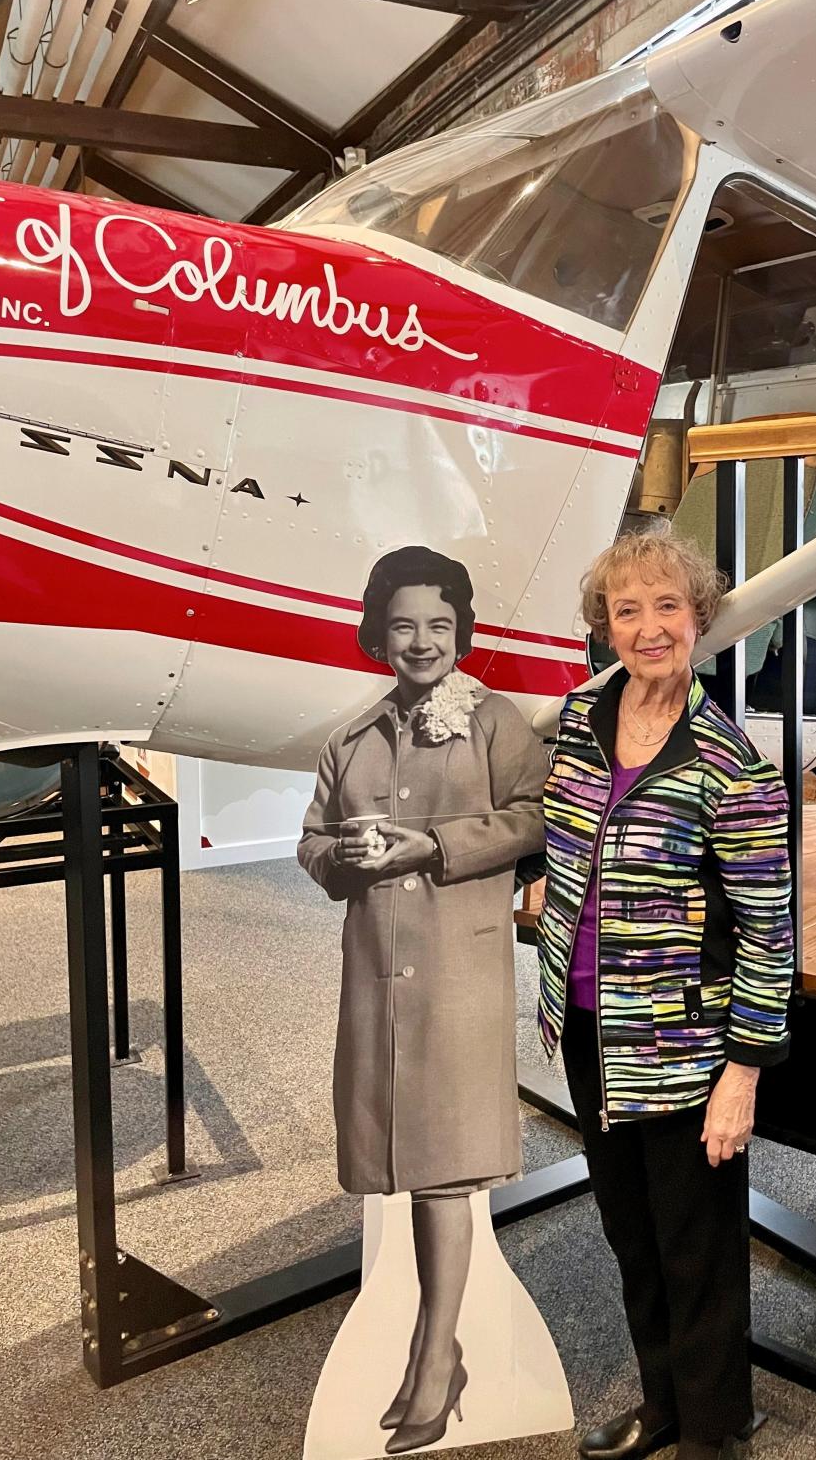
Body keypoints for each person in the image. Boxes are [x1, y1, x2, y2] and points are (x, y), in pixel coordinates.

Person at [538, 528, 794, 1460]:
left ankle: (716, 1435)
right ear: (605, 627)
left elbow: (770, 928)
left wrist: (744, 1073)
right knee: (631, 1237)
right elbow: (560, 830)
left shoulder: (730, 762)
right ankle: (665, 1407)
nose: (648, 628)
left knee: (699, 1252)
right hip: (587, 1024)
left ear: (699, 618)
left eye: (667, 607)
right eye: (627, 609)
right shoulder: (579, 719)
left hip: (683, 1046)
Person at [298, 546, 546, 1455]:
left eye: (439, 626)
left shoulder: (495, 722)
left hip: (457, 977)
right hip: (375, 976)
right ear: (378, 633)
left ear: (461, 632)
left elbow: (536, 816)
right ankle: (429, 1349)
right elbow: (312, 841)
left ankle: (439, 1357)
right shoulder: (350, 738)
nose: (421, 642)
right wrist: (345, 859)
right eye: (403, 625)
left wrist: (430, 847)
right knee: (401, 1158)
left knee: (443, 1168)